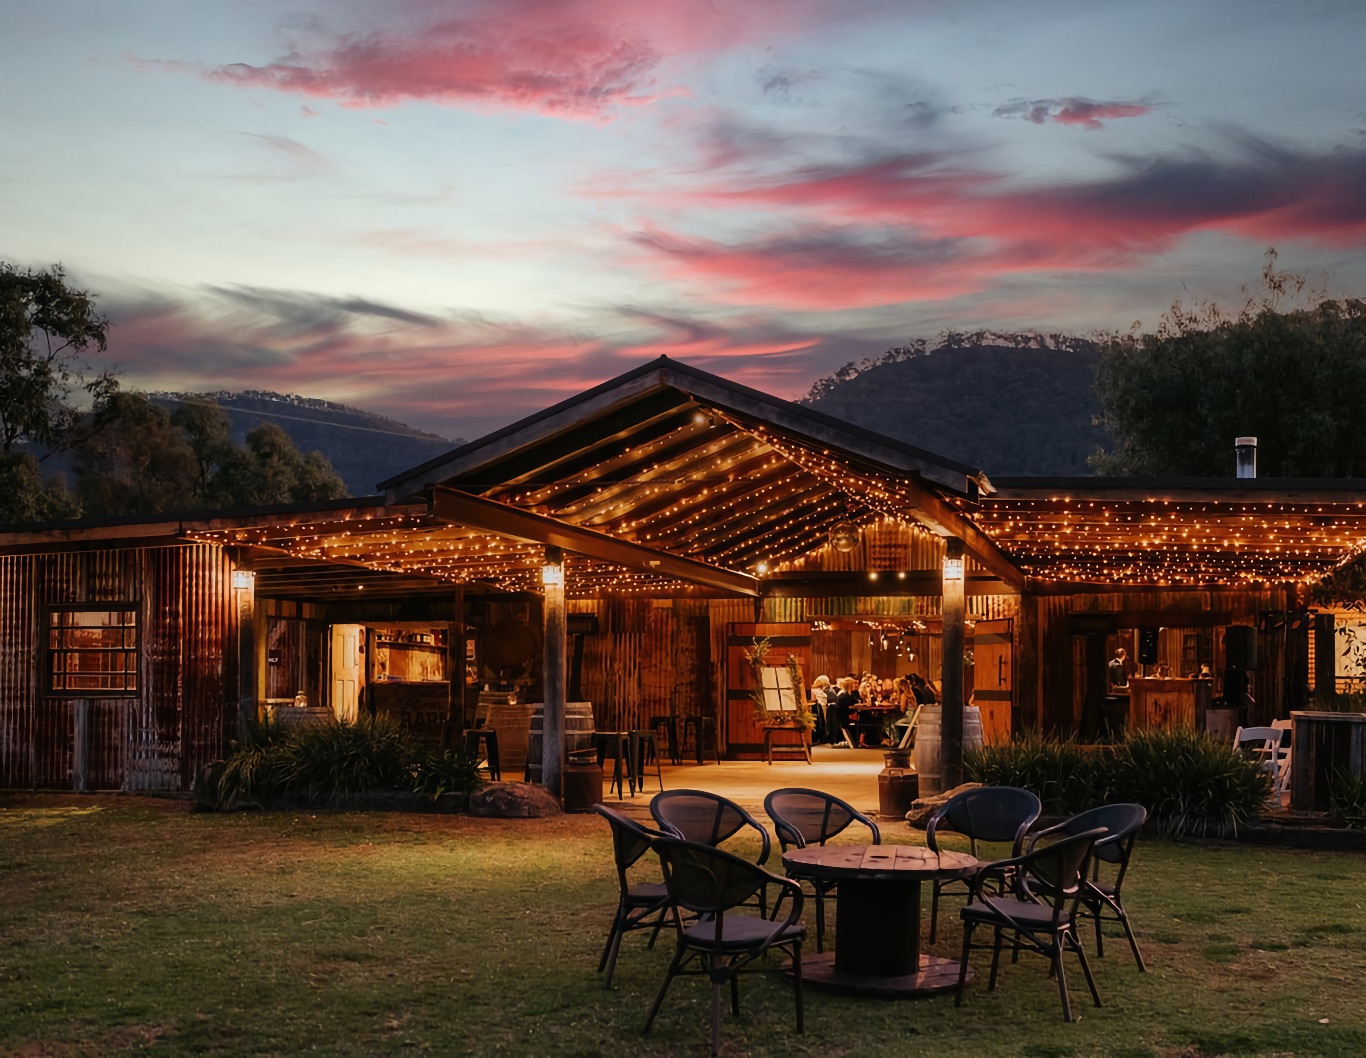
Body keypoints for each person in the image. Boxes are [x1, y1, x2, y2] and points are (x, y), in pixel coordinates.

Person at [829, 677, 859, 747]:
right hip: (843, 718)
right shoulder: (843, 695)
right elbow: (845, 708)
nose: (855, 685)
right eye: (853, 684)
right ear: (850, 685)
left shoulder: (850, 694)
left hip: (847, 715)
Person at [809, 675, 832, 743]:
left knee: (821, 721)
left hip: (818, 707)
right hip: (823, 707)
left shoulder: (813, 691)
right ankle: (823, 736)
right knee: (824, 721)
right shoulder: (822, 692)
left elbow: (813, 700)